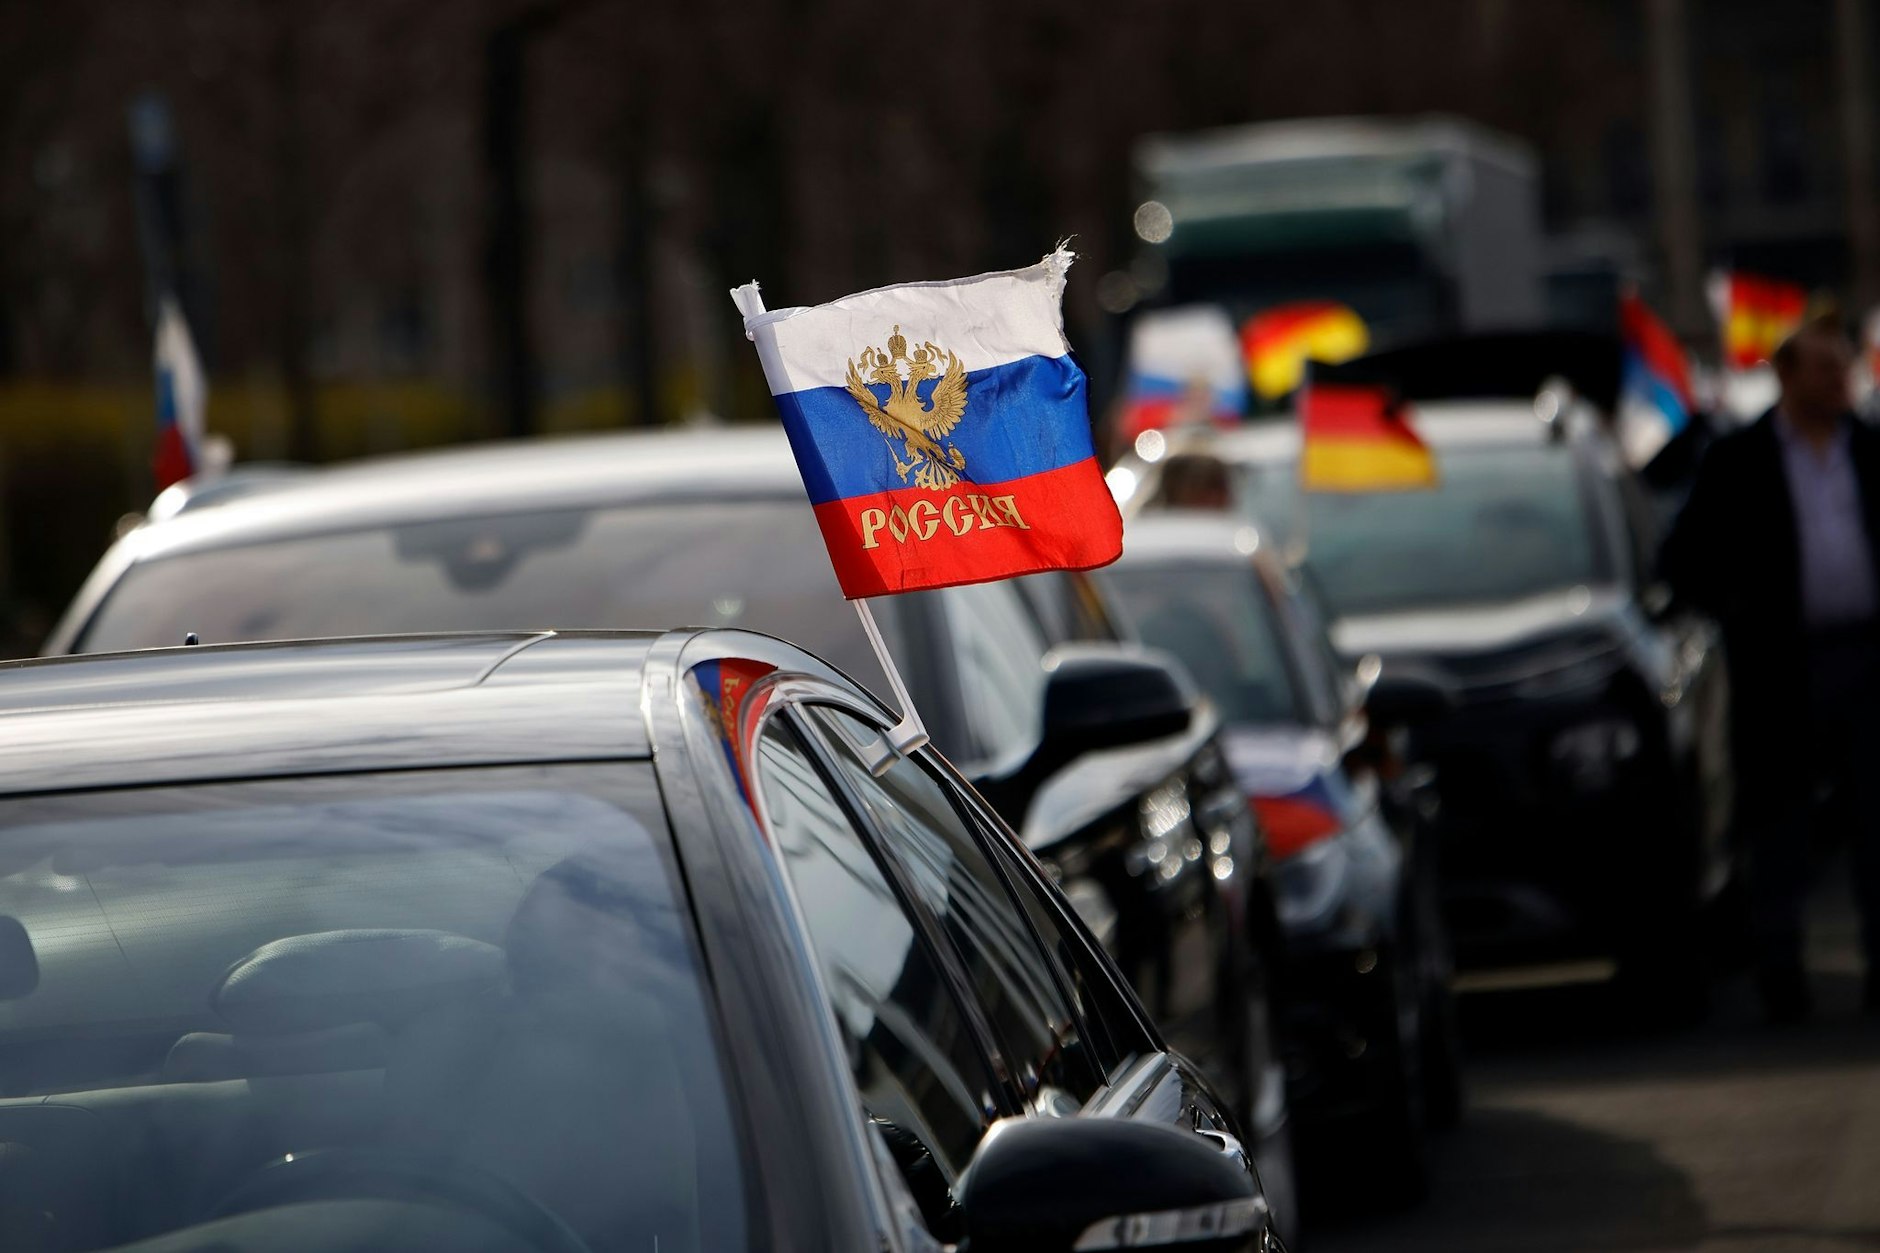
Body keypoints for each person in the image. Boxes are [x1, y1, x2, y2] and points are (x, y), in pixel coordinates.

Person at [1660, 314, 1880, 1022]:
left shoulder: (1871, 452)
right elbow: (1681, 563)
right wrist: (1741, 610)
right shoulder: (1739, 461)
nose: (1838, 380)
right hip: (1780, 673)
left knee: (1875, 821)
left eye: (1842, 366)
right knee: (1778, 830)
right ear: (1785, 377)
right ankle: (1781, 972)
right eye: (1822, 368)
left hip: (1869, 663)